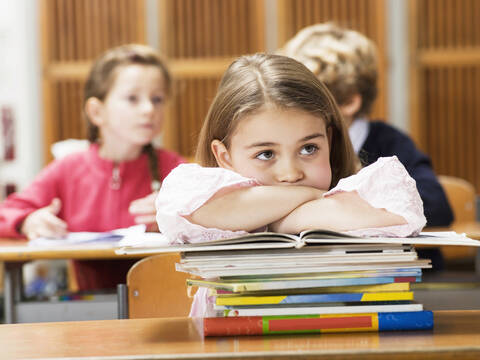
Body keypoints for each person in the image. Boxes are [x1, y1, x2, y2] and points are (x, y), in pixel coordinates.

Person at [155, 53, 426, 316]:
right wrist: (311, 196)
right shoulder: (198, 191)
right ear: (225, 157)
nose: (290, 174)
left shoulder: (373, 187)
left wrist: (274, 218)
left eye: (309, 148)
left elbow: (400, 214)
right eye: (266, 154)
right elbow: (184, 212)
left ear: (328, 141)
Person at [0, 44, 185, 291]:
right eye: (132, 98)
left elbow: (220, 217)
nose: (149, 109)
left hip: (165, 304)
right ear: (97, 111)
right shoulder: (68, 169)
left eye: (157, 99)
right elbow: (7, 211)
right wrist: (28, 221)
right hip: (90, 310)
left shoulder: (176, 169)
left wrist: (179, 213)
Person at [279, 23, 453, 228]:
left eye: (307, 99)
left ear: (349, 102)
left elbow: (437, 205)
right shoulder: (287, 152)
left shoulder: (391, 144)